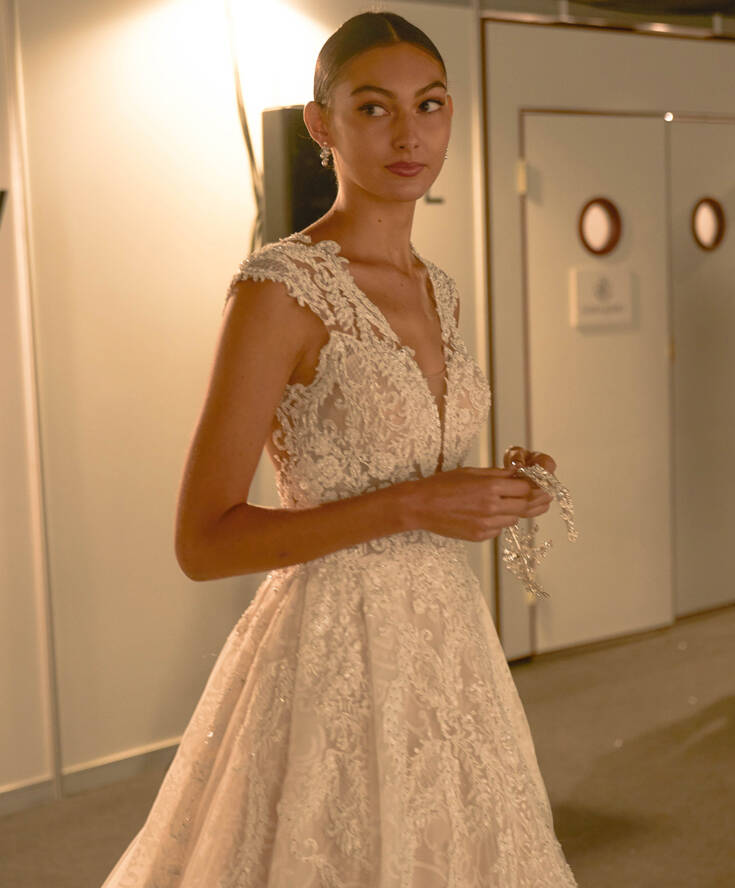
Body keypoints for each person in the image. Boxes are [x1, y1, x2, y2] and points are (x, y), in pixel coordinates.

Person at [101, 11, 578, 887]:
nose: (408, 134)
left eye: (429, 105)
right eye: (372, 107)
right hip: (333, 645)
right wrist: (412, 504)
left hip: (445, 639)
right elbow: (203, 543)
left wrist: (502, 487)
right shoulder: (279, 290)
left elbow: (419, 469)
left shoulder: (437, 288)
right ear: (321, 124)